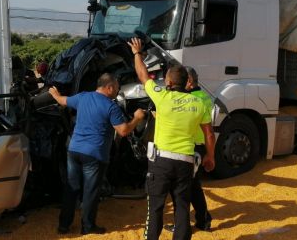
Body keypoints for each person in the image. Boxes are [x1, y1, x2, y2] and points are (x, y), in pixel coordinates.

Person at [128, 37, 215, 240]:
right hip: (185, 161)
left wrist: (136, 53)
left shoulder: (162, 96)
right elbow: (209, 133)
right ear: (187, 82)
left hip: (161, 162)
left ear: (168, 81)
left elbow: (142, 75)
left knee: (156, 208)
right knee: (182, 207)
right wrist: (210, 156)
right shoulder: (199, 103)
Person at [49, 73, 146, 235]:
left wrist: (54, 94)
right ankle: (87, 227)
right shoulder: (111, 106)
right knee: (90, 192)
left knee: (71, 188)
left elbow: (62, 101)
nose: (117, 90)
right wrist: (136, 118)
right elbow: (123, 131)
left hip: (74, 151)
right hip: (94, 155)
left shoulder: (83, 97)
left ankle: (63, 225)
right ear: (109, 87)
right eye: (116, 87)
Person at [164, 66, 214, 233]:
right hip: (200, 147)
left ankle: (186, 224)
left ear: (189, 82)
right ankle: (202, 219)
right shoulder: (205, 97)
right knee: (193, 185)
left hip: (190, 147)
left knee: (182, 188)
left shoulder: (191, 99)